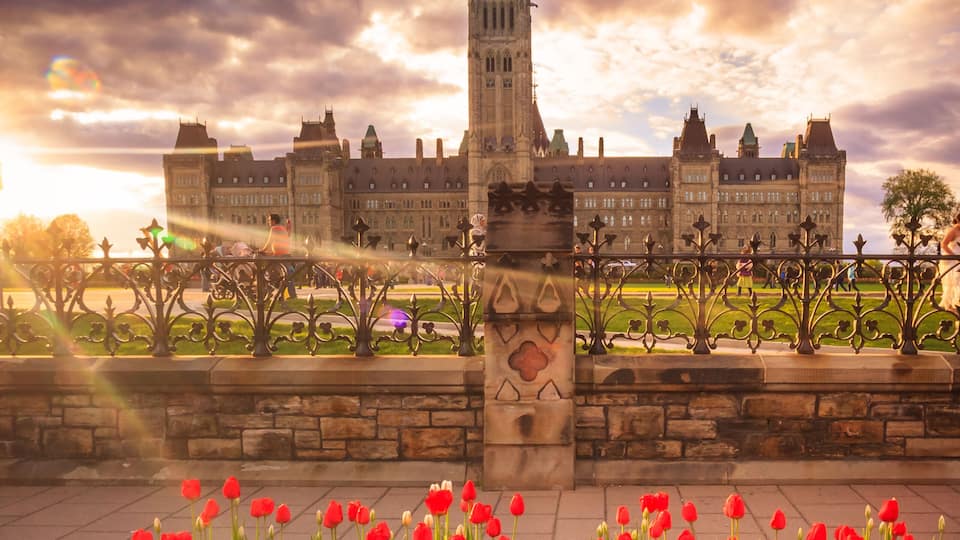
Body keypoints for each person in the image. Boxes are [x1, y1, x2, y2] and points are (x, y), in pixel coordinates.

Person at [262, 214, 297, 301]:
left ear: (273, 221)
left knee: (268, 271)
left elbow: (269, 242)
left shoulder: (274, 229)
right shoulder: (282, 228)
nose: (268, 222)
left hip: (279, 256)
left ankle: (270, 289)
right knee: (287, 274)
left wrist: (262, 250)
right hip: (285, 254)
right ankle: (290, 294)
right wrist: (289, 227)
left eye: (269, 220)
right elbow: (286, 236)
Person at [939, 212, 960, 312]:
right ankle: (954, 305)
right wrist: (954, 256)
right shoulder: (953, 230)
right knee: (955, 281)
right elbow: (943, 244)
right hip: (952, 260)